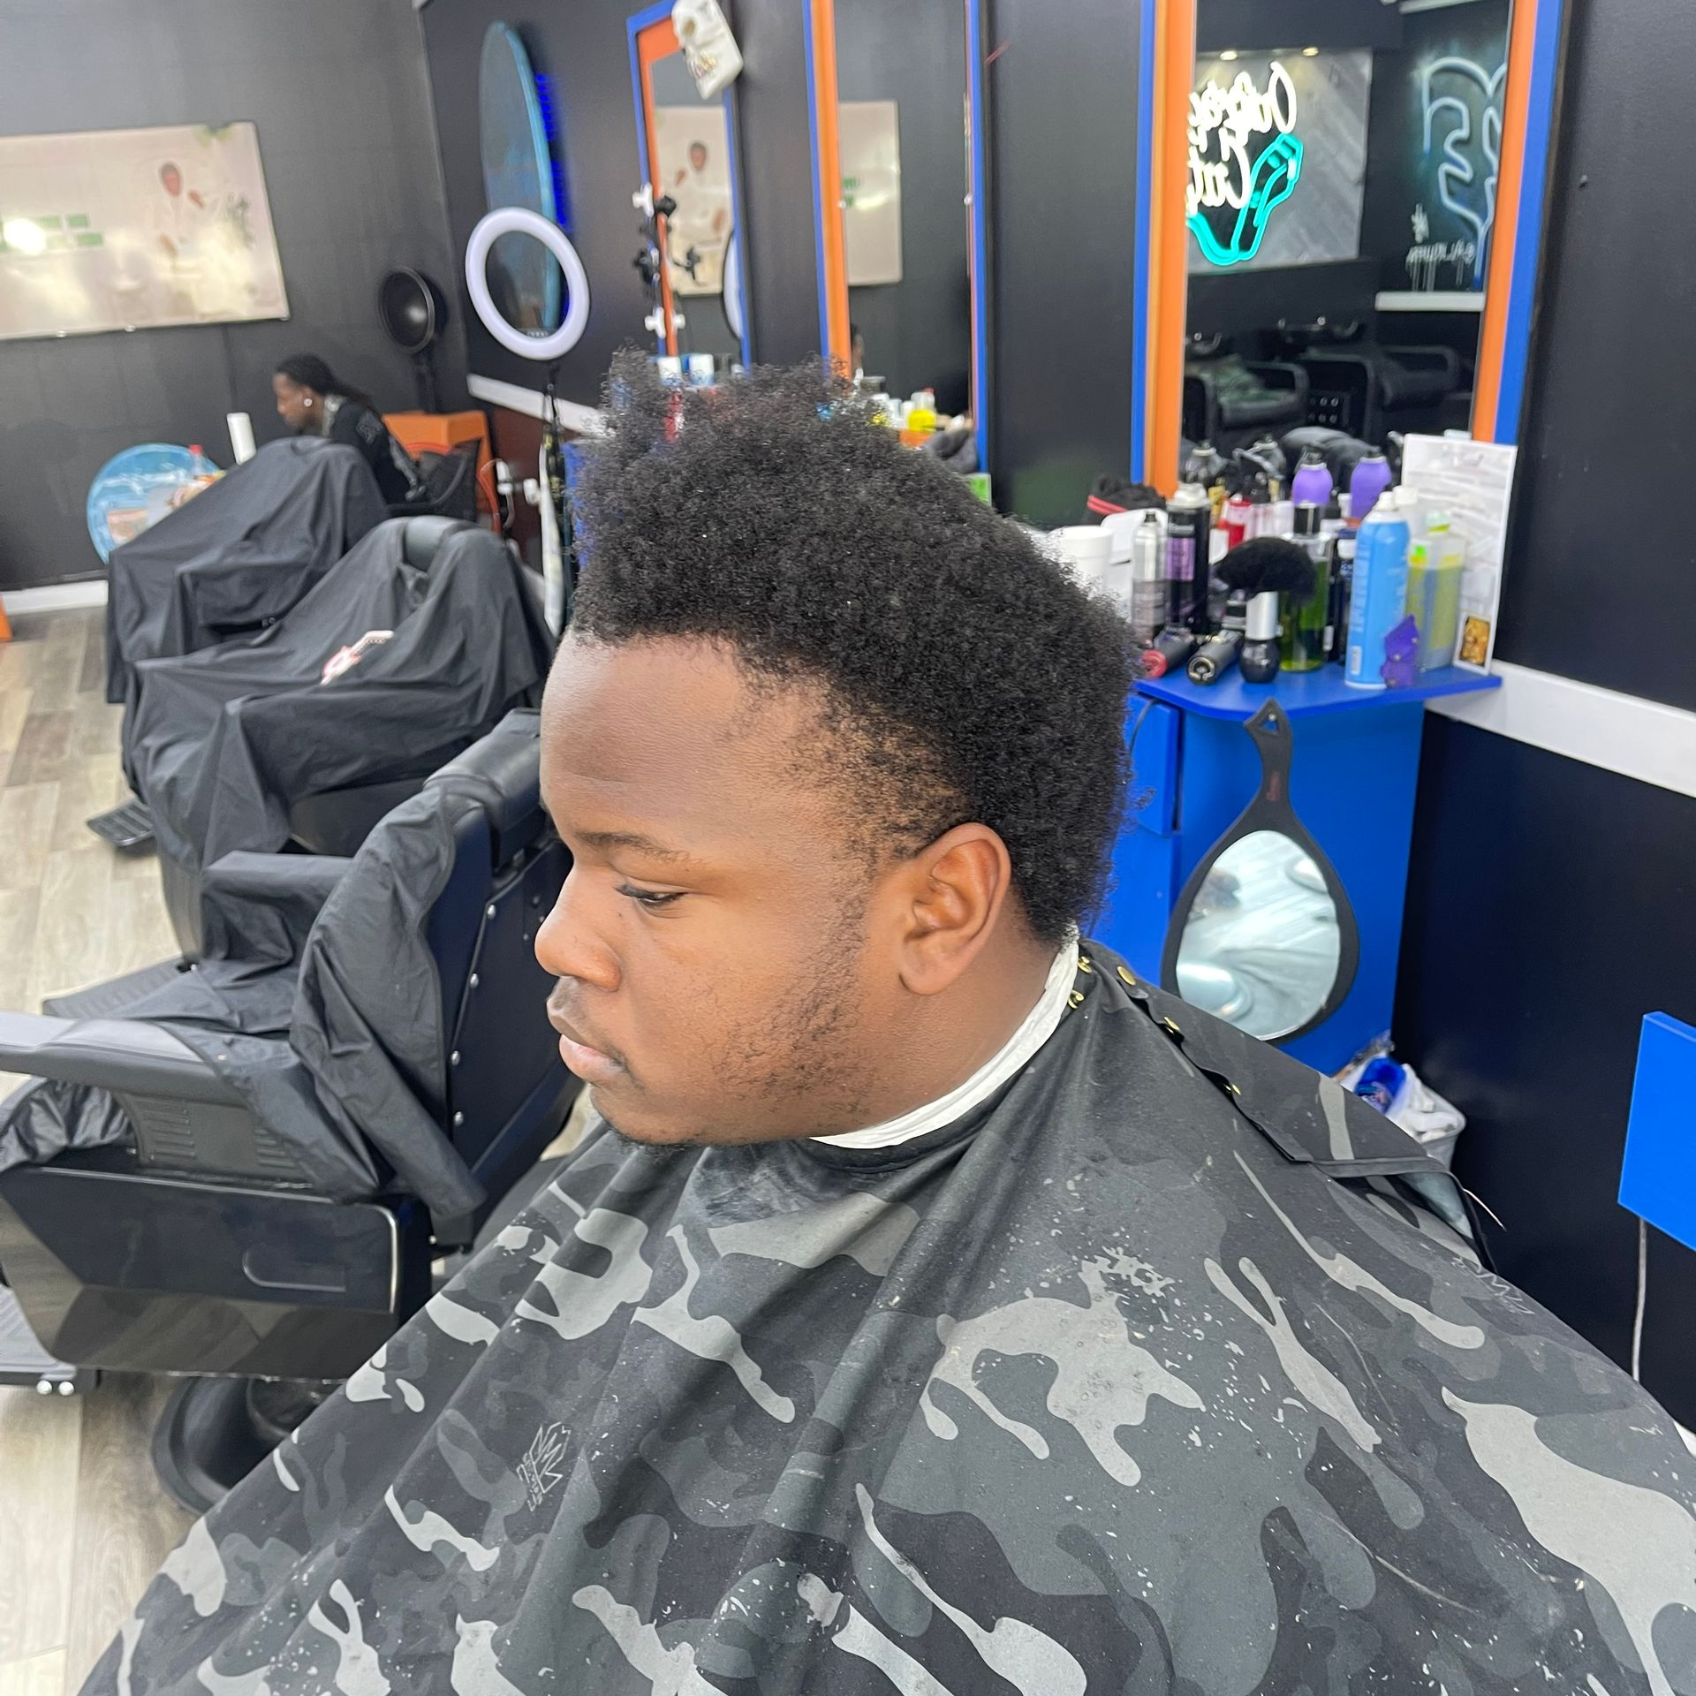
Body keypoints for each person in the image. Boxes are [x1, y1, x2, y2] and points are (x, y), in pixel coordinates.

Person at [93, 358, 1695, 1696]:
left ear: (938, 909)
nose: (559, 941)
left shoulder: (1226, 1430)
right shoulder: (733, 1098)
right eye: (561, 857)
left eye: (646, 891)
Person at [272, 353, 423, 506]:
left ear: (306, 395)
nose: (281, 409)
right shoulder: (345, 414)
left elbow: (343, 489)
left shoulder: (349, 421)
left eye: (284, 399)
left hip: (403, 510)